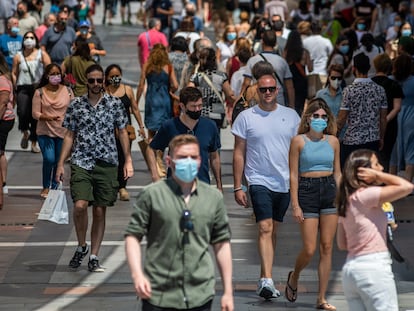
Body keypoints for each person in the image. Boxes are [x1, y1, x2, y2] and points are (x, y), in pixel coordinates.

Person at [125, 134, 234, 311]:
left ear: (200, 160)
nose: (188, 162)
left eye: (193, 157)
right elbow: (132, 237)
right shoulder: (152, 195)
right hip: (159, 294)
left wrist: (228, 291)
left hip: (200, 294)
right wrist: (137, 275)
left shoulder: (213, 198)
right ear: (169, 161)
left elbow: (222, 243)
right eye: (182, 157)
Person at [55, 64, 134, 272]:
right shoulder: (76, 105)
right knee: (80, 205)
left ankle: (94, 255)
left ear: (104, 81)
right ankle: (82, 246)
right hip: (81, 161)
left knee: (100, 211)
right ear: (86, 82)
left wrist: (128, 160)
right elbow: (69, 135)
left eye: (100, 80)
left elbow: (123, 132)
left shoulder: (114, 104)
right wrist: (60, 164)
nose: (96, 84)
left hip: (107, 162)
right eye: (92, 81)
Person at [232, 63, 300, 300]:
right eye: (263, 90)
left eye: (271, 89)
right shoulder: (245, 117)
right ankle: (267, 280)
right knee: (264, 227)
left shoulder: (291, 117)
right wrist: (238, 185)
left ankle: (265, 277)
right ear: (256, 91)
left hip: (283, 181)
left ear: (277, 90)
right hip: (258, 180)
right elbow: (238, 152)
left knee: (273, 232)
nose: (268, 93)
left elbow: (298, 150)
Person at [336, 149, 414, 311]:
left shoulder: (347, 200)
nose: (381, 168)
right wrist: (379, 177)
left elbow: (342, 243)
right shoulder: (366, 195)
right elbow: (406, 186)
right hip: (373, 268)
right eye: (376, 165)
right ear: (364, 172)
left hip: (351, 270)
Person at [286, 98, 340, 311]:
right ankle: (295, 275)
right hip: (307, 190)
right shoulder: (298, 141)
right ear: (308, 118)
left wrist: (343, 198)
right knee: (309, 248)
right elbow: (293, 175)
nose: (319, 120)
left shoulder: (333, 141)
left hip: (329, 190)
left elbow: (338, 172)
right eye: (315, 116)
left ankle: (321, 298)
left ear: (328, 120)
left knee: (327, 247)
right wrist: (295, 204)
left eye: (323, 117)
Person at [147, 86, 222, 188]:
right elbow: (151, 149)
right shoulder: (170, 126)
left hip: (202, 186)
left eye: (200, 106)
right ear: (182, 106)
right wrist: (155, 176)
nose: (197, 109)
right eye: (193, 106)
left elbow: (214, 156)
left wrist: (219, 184)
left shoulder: (210, 126)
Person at [337, 52, 388, 168]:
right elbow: (383, 118)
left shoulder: (349, 91)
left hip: (352, 141)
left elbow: (341, 118)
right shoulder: (379, 90)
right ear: (369, 68)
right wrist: (381, 137)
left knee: (351, 175)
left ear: (354, 68)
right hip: (372, 140)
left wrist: (335, 135)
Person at [104, 64, 145, 201]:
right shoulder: (105, 92)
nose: (115, 78)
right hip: (108, 131)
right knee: (110, 158)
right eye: (112, 76)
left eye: (117, 76)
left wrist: (141, 126)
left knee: (124, 157)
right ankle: (112, 184)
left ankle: (122, 186)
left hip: (125, 131)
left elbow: (135, 108)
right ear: (107, 78)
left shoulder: (127, 90)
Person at [32, 63, 73, 199]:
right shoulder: (40, 92)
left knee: (58, 160)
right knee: (49, 159)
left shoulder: (67, 91)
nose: (56, 77)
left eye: (58, 74)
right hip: (45, 132)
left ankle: (55, 186)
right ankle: (45, 186)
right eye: (53, 74)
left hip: (63, 132)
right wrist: (46, 117)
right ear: (47, 76)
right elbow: (35, 113)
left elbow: (74, 110)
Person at [12, 31, 51, 153]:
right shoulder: (18, 56)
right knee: (22, 112)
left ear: (36, 40)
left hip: (36, 88)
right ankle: (25, 132)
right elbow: (14, 72)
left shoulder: (41, 54)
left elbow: (50, 68)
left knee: (35, 116)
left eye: (31, 37)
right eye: (26, 37)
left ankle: (34, 142)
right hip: (23, 87)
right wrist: (14, 86)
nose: (29, 40)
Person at [240, 30, 295, 109]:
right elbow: (289, 86)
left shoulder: (252, 60)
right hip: (279, 101)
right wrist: (292, 106)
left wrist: (241, 99)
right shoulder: (282, 61)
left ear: (262, 42)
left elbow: (246, 83)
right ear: (275, 43)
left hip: (258, 101)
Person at [136, 44, 178, 141]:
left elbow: (141, 85)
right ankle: (159, 155)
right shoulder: (168, 67)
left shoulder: (147, 66)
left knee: (151, 131)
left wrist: (136, 101)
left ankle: (152, 154)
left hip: (151, 100)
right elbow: (175, 85)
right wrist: (171, 91)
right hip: (165, 100)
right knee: (164, 130)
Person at [188, 47, 235, 130]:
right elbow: (230, 95)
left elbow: (188, 92)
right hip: (217, 112)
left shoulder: (196, 77)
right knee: (215, 137)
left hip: (201, 112)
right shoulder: (221, 76)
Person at [371, 53, 403, 173]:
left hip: (371, 125)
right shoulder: (394, 85)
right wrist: (386, 119)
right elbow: (397, 107)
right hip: (390, 126)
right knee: (385, 156)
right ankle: (383, 182)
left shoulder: (370, 83)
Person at [391, 54, 414, 183]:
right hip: (412, 116)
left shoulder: (391, 81)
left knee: (394, 149)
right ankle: (408, 180)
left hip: (395, 116)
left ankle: (392, 179)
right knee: (411, 148)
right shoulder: (413, 81)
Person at [283, 29, 313, 115]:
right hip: (301, 83)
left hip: (289, 81)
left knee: (289, 104)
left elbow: (284, 64)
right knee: (299, 107)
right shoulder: (304, 52)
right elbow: (310, 68)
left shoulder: (286, 52)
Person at [0, 52, 16, 208]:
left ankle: (3, 181)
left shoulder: (2, 80)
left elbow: (3, 102)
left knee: (0, 152)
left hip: (3, 119)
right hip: (6, 118)